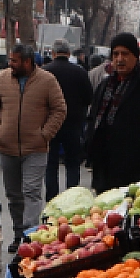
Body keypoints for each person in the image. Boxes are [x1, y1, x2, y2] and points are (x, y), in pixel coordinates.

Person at [0, 44, 67, 244]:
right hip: (7, 146)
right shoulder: (2, 78)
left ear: (27, 62)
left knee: (31, 192)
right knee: (14, 195)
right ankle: (18, 233)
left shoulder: (47, 80)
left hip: (35, 148)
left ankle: (30, 237)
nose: (10, 64)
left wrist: (45, 134)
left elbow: (59, 109)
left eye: (14, 60)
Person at [85, 33, 140, 191]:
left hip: (135, 170)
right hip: (103, 168)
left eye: (125, 54)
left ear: (135, 56)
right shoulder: (105, 85)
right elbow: (93, 118)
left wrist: (138, 149)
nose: (120, 59)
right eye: (115, 54)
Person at [44, 39, 93, 199]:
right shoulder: (79, 72)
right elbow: (88, 97)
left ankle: (52, 197)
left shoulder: (44, 72)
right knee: (72, 163)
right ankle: (72, 196)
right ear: (69, 53)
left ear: (53, 53)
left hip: (49, 124)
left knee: (50, 164)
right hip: (73, 123)